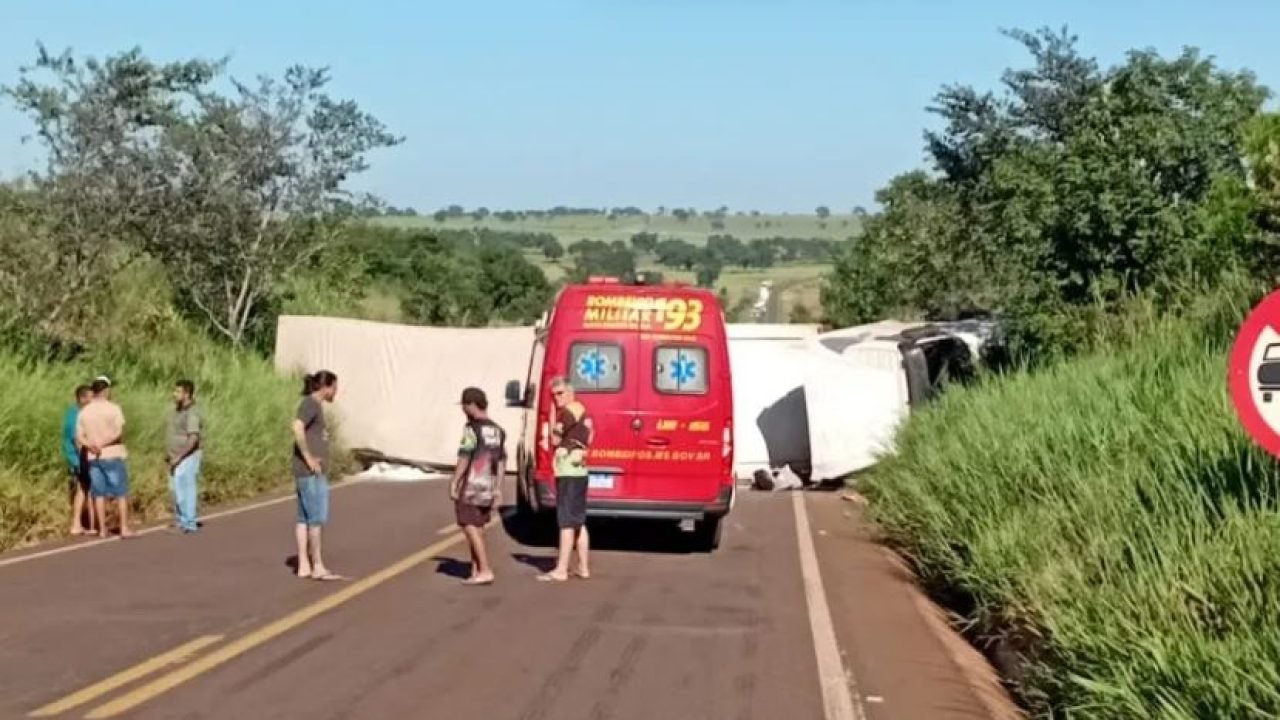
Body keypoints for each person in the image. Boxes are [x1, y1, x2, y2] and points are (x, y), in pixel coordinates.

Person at [449, 387, 506, 586]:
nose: (463, 409)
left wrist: (455, 480)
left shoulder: (471, 429)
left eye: (464, 405)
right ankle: (476, 568)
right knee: (479, 525)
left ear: (472, 405)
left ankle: (484, 569)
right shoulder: (498, 431)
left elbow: (465, 454)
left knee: (469, 525)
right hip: (488, 485)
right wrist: (498, 488)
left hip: (472, 484)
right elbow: (501, 461)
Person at [538, 376, 593, 582]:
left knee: (566, 522)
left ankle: (561, 569)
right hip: (580, 471)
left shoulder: (567, 413)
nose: (556, 398)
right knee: (578, 521)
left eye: (560, 394)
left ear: (571, 392)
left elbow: (554, 439)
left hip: (568, 471)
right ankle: (583, 567)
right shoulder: (582, 410)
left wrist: (553, 415)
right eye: (553, 396)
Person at [291, 370, 343, 581]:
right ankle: (317, 564)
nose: (336, 392)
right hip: (311, 472)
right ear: (326, 387)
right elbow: (297, 427)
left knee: (304, 518)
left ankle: (304, 564)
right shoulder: (311, 404)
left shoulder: (312, 405)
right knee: (315, 520)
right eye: (335, 387)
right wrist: (309, 457)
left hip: (305, 471)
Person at [77, 376, 133, 538]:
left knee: (98, 493)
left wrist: (90, 445)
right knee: (120, 492)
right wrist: (103, 443)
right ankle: (123, 527)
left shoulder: (85, 411)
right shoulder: (113, 408)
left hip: (92, 456)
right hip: (112, 453)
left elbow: (79, 436)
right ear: (106, 391)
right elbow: (118, 432)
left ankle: (102, 529)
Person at [167, 379, 203, 534]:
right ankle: (182, 520)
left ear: (187, 394)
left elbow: (193, 438)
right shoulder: (177, 411)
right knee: (176, 491)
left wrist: (180, 456)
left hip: (187, 457)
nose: (174, 394)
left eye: (178, 391)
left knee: (186, 490)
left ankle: (189, 522)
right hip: (175, 457)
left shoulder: (192, 413)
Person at [64, 384, 96, 536]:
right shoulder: (76, 416)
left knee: (83, 490)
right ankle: (82, 524)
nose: (92, 401)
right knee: (85, 489)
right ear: (82, 398)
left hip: (79, 457)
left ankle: (83, 523)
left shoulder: (75, 413)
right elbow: (77, 441)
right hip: (79, 458)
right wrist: (86, 458)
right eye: (90, 397)